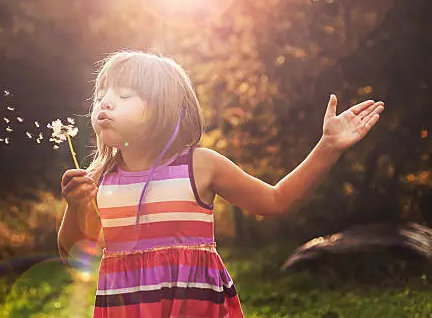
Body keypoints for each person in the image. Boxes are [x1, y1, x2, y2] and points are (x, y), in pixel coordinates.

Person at [58, 50, 384, 317]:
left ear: (163, 109)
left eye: (124, 95)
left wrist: (327, 146)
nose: (105, 103)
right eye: (100, 96)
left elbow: (276, 201)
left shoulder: (199, 165)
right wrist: (76, 208)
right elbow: (74, 251)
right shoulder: (99, 179)